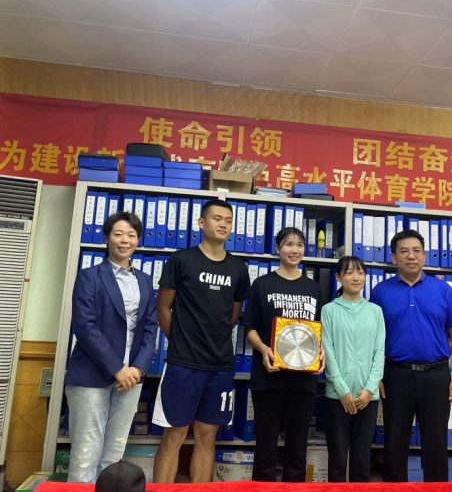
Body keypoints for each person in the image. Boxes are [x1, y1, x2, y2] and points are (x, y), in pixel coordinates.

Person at [152, 199, 250, 483]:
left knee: (207, 437)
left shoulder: (238, 268)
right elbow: (163, 309)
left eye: (228, 220)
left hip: (220, 366)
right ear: (201, 223)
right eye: (217, 218)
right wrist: (180, 342)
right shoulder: (181, 260)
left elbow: (232, 316)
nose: (223, 224)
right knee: (175, 435)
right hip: (183, 364)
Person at [65, 212, 157, 483]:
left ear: (138, 240)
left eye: (131, 235)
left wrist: (138, 368)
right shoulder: (89, 276)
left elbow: (150, 327)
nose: (124, 240)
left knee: (115, 454)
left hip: (131, 379)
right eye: (118, 234)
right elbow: (85, 326)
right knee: (85, 454)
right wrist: (118, 368)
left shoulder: (144, 280)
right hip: (91, 375)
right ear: (106, 238)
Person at [371, 229, 452, 483]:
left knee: (436, 444)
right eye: (404, 251)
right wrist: (375, 376)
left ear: (424, 255)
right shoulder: (380, 291)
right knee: (394, 443)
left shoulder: (443, 289)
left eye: (416, 251)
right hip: (395, 375)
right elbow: (372, 337)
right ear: (394, 257)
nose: (411, 256)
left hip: (436, 375)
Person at [243, 227, 325, 482]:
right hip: (269, 377)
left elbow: (317, 330)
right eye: (288, 244)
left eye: (299, 245)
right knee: (266, 448)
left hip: (304, 380)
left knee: (297, 449)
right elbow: (250, 328)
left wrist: (320, 351)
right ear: (278, 248)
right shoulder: (262, 284)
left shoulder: (314, 288)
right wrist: (263, 349)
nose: (294, 250)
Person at [321, 256, 385, 483]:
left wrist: (369, 389)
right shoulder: (329, 310)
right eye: (349, 273)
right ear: (338, 277)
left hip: (367, 398)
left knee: (362, 460)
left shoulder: (375, 311)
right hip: (337, 396)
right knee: (337, 460)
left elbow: (379, 352)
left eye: (360, 272)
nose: (355, 278)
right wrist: (342, 390)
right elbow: (327, 350)